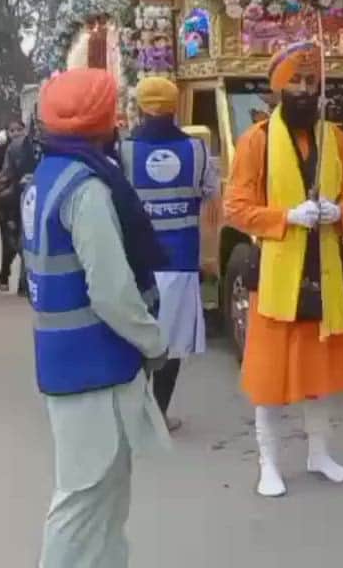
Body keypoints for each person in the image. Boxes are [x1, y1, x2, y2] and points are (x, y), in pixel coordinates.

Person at [24, 68, 171, 567]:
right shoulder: (87, 188)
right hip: (95, 365)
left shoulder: (47, 174)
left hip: (68, 362)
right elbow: (111, 291)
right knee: (84, 502)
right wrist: (154, 342)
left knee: (104, 503)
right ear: (102, 119)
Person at [224, 41, 343, 497]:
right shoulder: (256, 141)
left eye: (311, 81)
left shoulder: (335, 138)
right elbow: (237, 208)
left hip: (324, 269)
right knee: (271, 379)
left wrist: (336, 212)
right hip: (278, 273)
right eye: (296, 82)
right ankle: (269, 464)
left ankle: (319, 454)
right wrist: (286, 218)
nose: (305, 90)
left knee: (320, 374)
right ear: (277, 87)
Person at [121, 77, 218, 432]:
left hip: (135, 264)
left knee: (133, 338)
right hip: (180, 262)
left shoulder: (124, 151)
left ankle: (134, 414)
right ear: (176, 106)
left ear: (141, 107)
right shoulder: (198, 152)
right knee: (172, 343)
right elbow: (210, 196)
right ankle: (158, 414)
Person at [0, 119, 29, 293]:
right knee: (10, 243)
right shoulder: (4, 150)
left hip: (27, 200)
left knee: (26, 240)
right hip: (11, 202)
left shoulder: (33, 149)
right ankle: (4, 273)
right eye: (12, 130)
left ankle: (24, 283)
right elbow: (3, 175)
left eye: (19, 129)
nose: (16, 133)